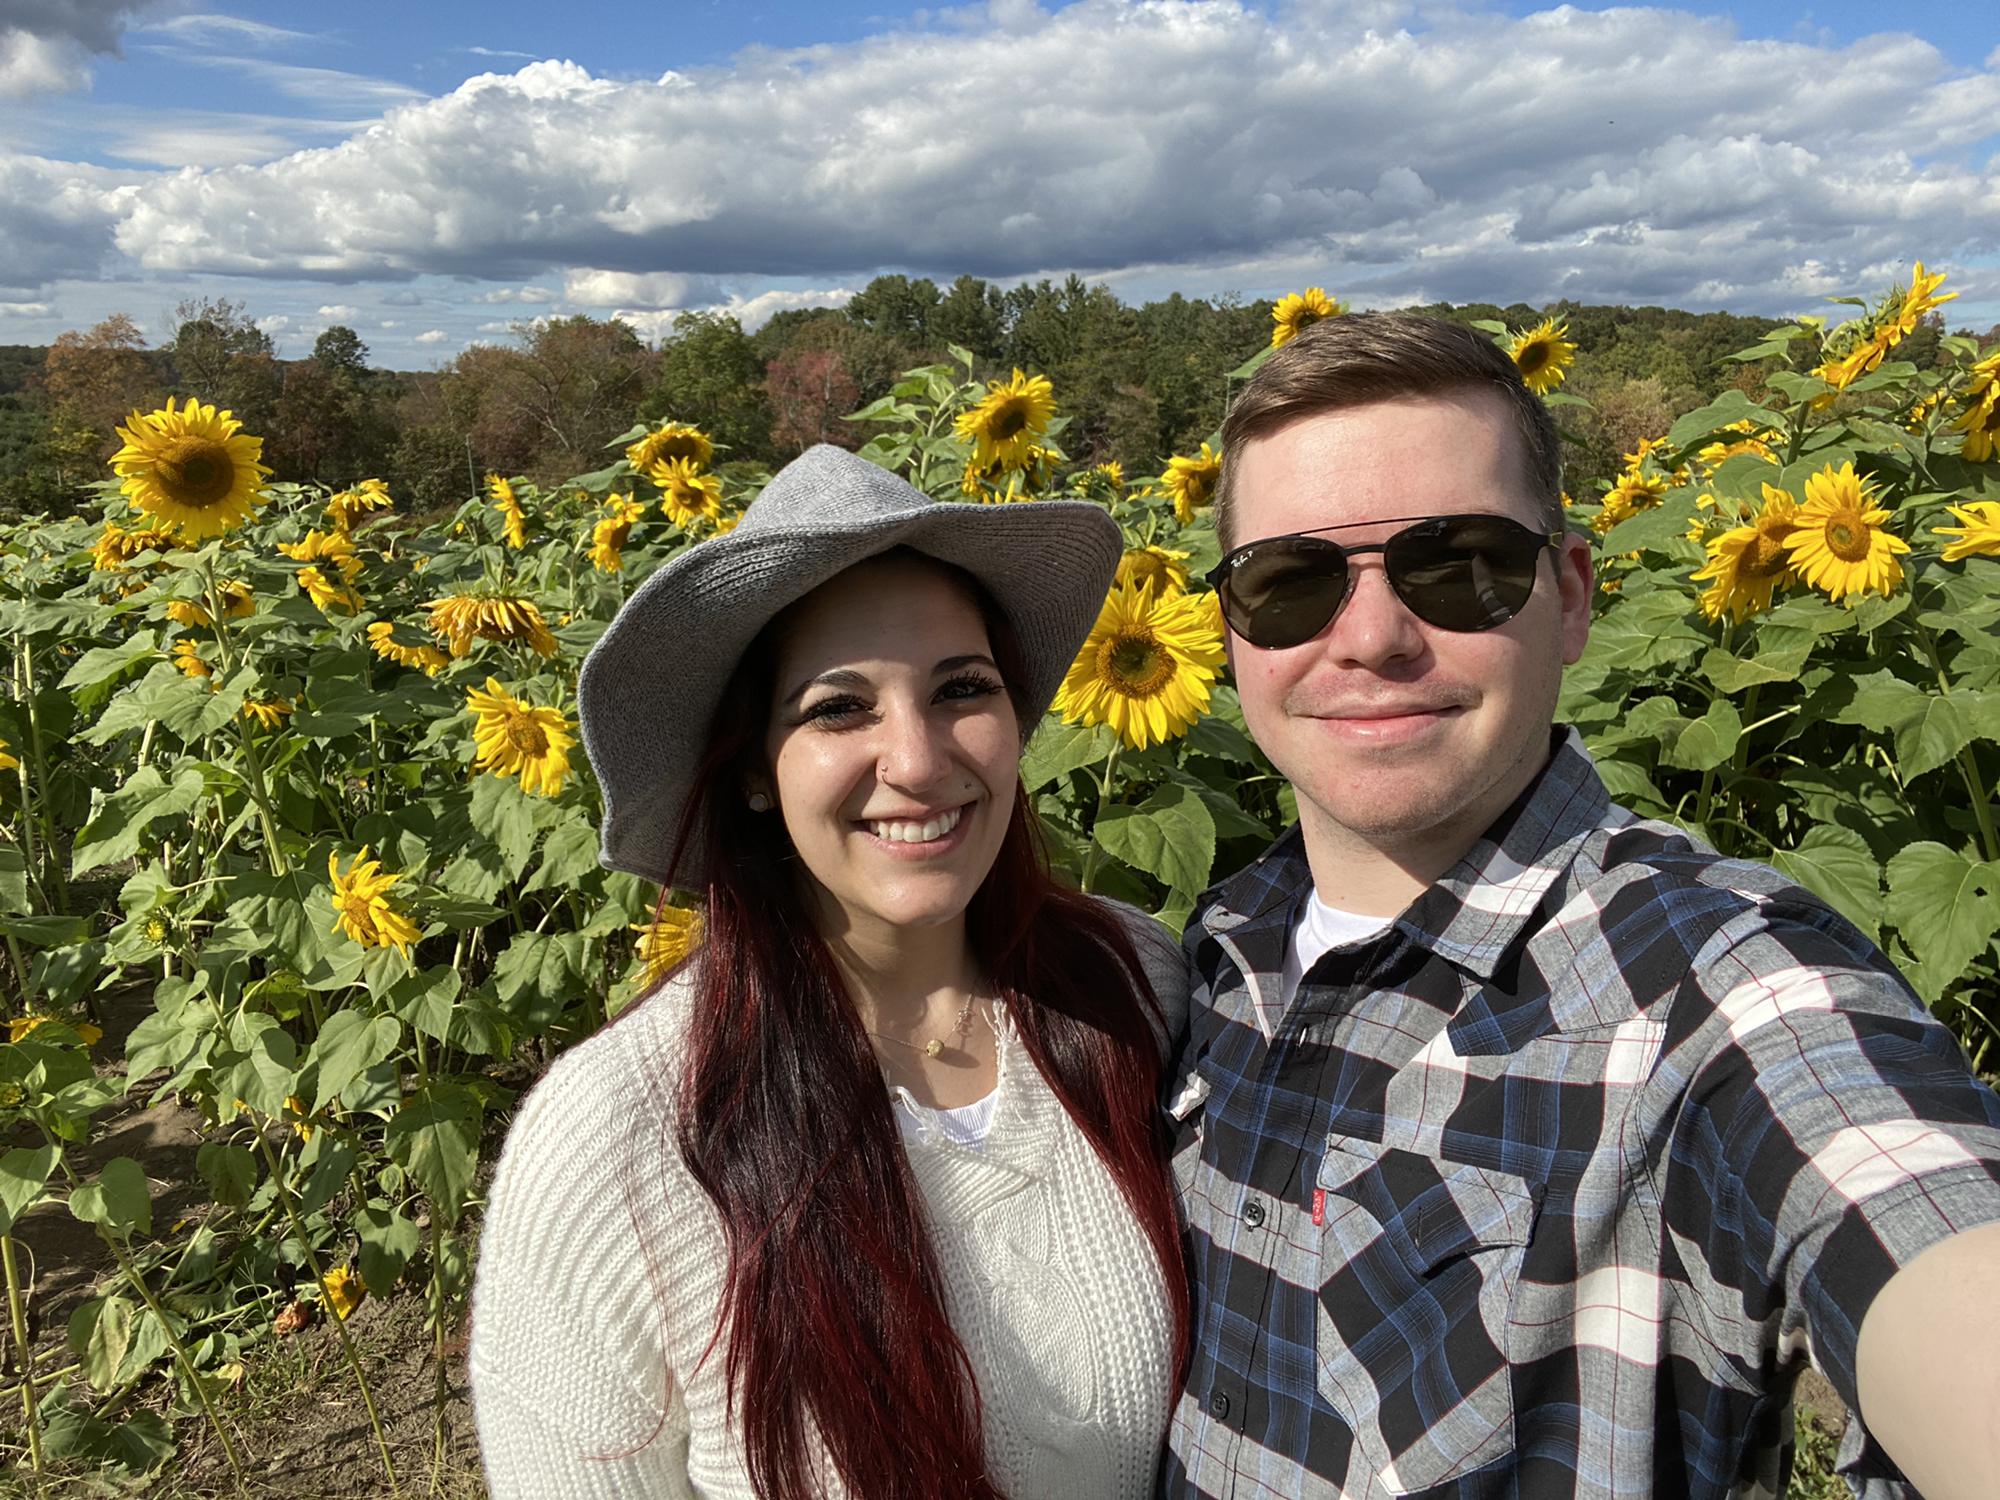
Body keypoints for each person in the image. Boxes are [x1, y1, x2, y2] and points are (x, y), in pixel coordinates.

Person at [1159, 313, 2000, 1499]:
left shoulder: (1708, 991)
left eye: (1457, 567)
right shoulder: (1211, 956)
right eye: (1287, 582)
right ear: (1232, 630)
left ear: (1567, 596)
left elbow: (1898, 1199)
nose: (1371, 638)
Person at [469, 445, 1190, 1500]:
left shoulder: (1130, 985)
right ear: (757, 771)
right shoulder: (617, 1144)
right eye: (839, 707)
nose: (917, 758)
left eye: (962, 688)